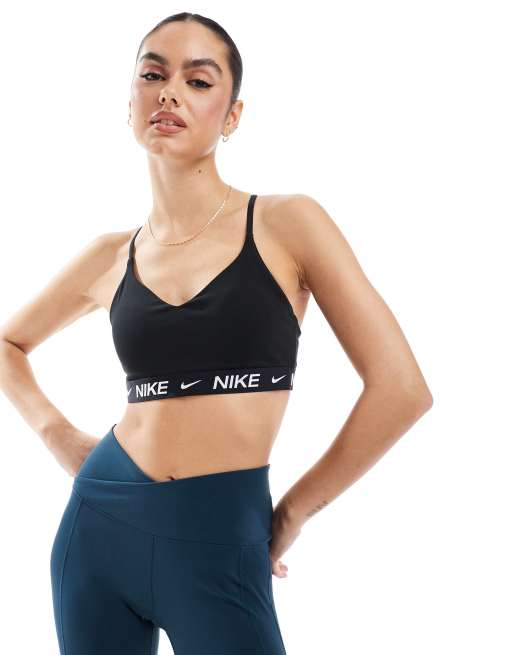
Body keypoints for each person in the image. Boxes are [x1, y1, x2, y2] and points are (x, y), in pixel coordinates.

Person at [0, 12, 433, 655]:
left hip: (223, 538)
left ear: (232, 116)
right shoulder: (109, 256)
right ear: (130, 103)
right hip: (98, 530)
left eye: (198, 81)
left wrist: (294, 511)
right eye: (153, 75)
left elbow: (401, 390)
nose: (170, 92)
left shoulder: (288, 223)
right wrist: (56, 434)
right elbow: (8, 345)